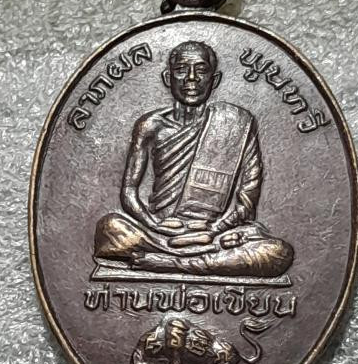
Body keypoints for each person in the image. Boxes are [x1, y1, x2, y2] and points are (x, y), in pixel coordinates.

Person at [94, 40, 293, 278]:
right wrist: (154, 224)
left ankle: (171, 264)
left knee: (278, 252)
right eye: (181, 70)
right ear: (168, 78)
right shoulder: (150, 126)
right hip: (159, 233)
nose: (191, 79)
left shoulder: (237, 122)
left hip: (215, 235)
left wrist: (216, 229)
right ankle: (199, 261)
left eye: (201, 70)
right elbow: (128, 191)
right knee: (110, 227)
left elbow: (247, 201)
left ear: (214, 80)